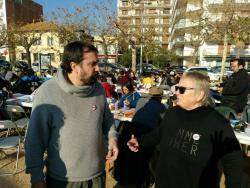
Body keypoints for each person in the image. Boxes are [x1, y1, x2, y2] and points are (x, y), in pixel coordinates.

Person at [25, 41, 119, 188]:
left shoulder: (99, 90)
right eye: (92, 64)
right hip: (63, 180)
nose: (97, 68)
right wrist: (36, 178)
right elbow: (34, 140)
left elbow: (107, 120)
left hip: (97, 176)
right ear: (74, 66)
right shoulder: (47, 93)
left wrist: (113, 138)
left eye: (97, 63)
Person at [128, 71, 243, 188]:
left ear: (200, 95)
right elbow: (159, 133)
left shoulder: (217, 123)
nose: (176, 93)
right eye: (176, 88)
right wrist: (140, 141)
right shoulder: (171, 113)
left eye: (182, 89)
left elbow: (233, 162)